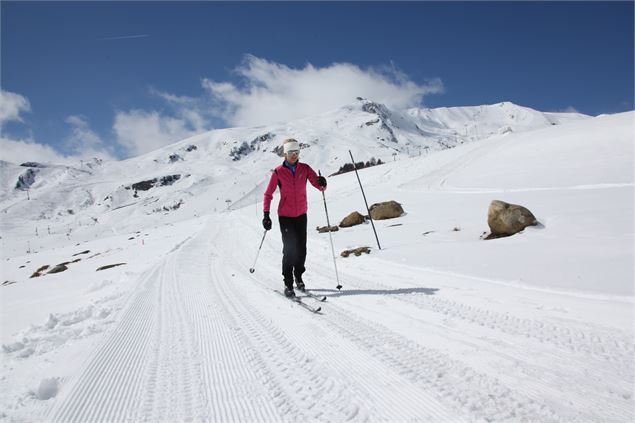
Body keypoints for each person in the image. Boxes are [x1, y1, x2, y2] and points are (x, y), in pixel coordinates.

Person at [262, 138, 327, 297]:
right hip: (285, 216)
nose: (294, 155)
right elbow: (268, 194)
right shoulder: (278, 172)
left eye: (296, 152)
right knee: (289, 249)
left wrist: (322, 182)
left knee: (301, 249)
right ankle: (288, 282)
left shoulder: (304, 169)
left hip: (301, 215)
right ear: (285, 153)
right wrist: (266, 215)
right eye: (291, 152)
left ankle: (298, 276)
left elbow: (318, 186)